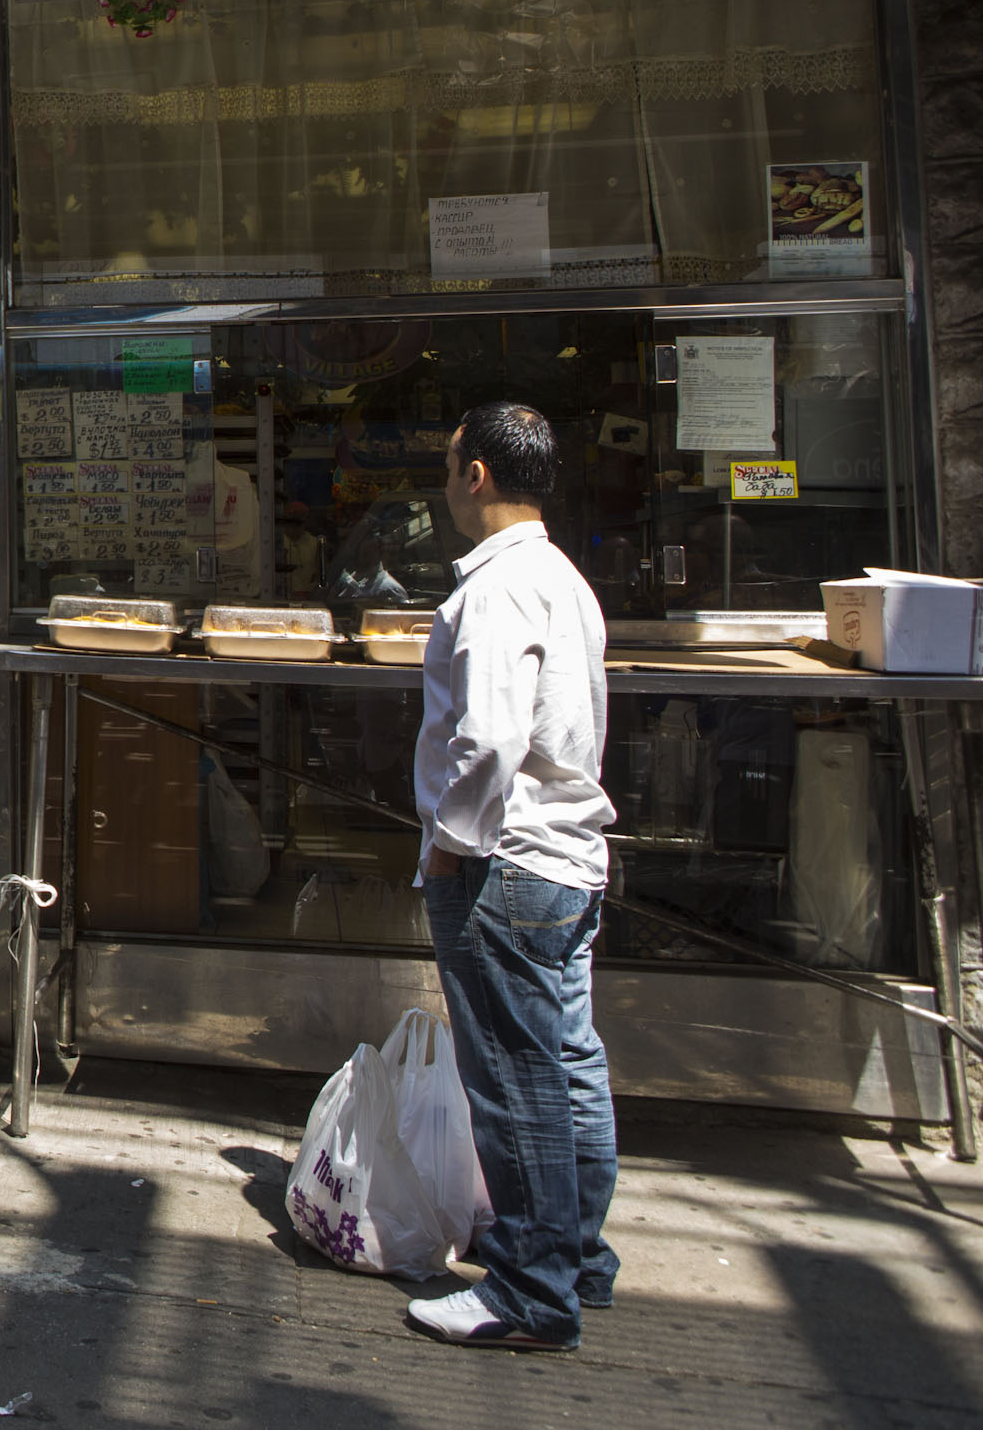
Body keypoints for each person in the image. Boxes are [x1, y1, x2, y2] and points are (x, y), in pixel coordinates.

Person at [404, 403, 619, 1352]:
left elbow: (489, 740)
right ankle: (575, 1257)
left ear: (478, 474)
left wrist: (451, 846)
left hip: (507, 865)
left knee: (515, 1079)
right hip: (565, 859)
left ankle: (532, 1292)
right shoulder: (563, 577)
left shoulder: (494, 588)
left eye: (451, 464)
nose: (447, 483)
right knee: (566, 1064)